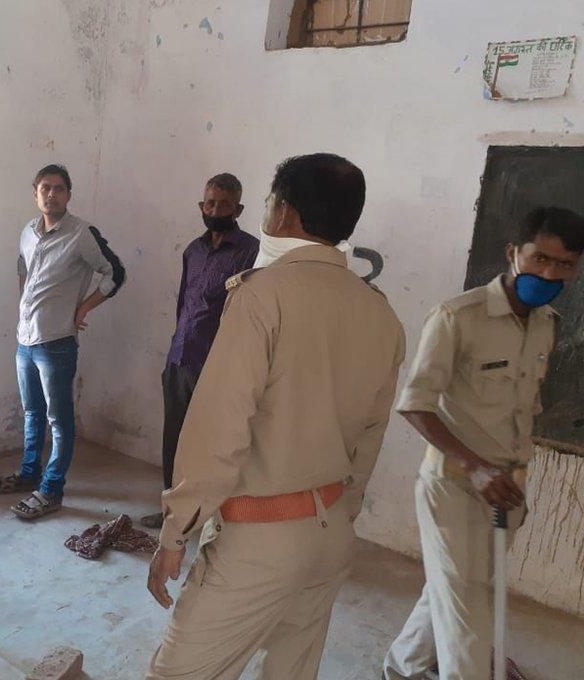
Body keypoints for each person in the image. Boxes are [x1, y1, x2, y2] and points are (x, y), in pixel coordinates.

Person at [145, 153, 405, 680]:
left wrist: (175, 534)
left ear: (283, 212)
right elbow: (370, 439)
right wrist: (339, 516)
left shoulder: (263, 295)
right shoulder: (380, 311)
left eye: (266, 199)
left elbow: (218, 430)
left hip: (260, 540)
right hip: (330, 533)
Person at [382, 207, 584, 680]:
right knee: (469, 615)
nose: (550, 273)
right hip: (454, 484)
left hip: (507, 488)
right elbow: (415, 404)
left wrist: (501, 472)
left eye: (565, 265)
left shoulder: (545, 324)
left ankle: (403, 665)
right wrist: (475, 467)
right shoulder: (458, 317)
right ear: (513, 252)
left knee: (455, 589)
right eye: (540, 259)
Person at [0, 164, 125, 520]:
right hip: (26, 339)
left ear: (68, 194)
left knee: (59, 420)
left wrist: (83, 308)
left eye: (59, 189)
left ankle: (51, 489)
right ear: (35, 191)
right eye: (46, 188)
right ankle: (30, 474)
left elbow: (116, 273)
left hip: (57, 342)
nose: (52, 194)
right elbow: (23, 266)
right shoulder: (28, 232)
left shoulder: (81, 234)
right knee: (32, 412)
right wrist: (24, 306)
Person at [141, 173, 260, 530]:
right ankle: (173, 515)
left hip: (218, 367)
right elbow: (184, 304)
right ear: (201, 206)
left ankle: (209, 519)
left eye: (224, 204)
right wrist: (173, 352)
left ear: (238, 208)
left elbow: (247, 315)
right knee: (174, 442)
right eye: (210, 203)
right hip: (180, 359)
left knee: (213, 447)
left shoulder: (251, 252)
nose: (216, 210)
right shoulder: (193, 250)